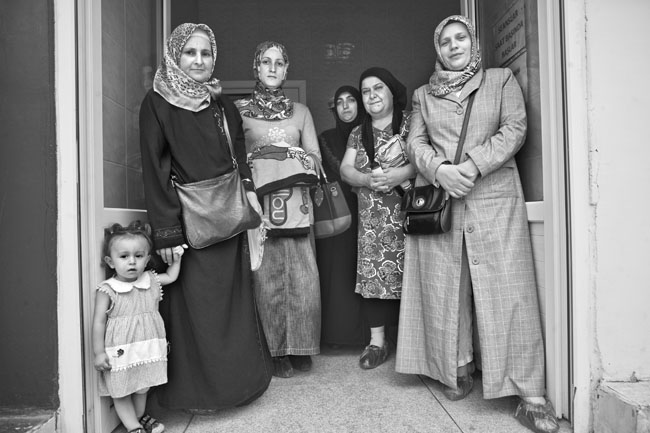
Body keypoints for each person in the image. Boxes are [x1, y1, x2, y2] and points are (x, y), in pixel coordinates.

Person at [395, 15, 559, 433]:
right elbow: (414, 143)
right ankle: (459, 366)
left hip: (493, 197)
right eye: (446, 41)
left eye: (461, 38)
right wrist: (440, 171)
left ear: (473, 43)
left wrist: (471, 166)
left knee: (509, 290)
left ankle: (530, 393)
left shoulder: (501, 80)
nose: (454, 46)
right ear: (438, 49)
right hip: (444, 200)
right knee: (446, 287)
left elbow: (515, 128)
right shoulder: (423, 95)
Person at [139, 23, 272, 411]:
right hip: (187, 225)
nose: (198, 60)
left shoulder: (221, 104)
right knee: (197, 310)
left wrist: (250, 193)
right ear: (175, 56)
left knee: (233, 306)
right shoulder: (157, 102)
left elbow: (239, 156)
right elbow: (154, 168)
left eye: (206, 53)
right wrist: (167, 231)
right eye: (190, 52)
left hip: (228, 220)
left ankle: (240, 388)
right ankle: (196, 395)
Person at [235, 41, 321, 378]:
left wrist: (286, 156)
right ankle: (275, 351)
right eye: (266, 62)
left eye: (279, 62)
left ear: (287, 70)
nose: (273, 68)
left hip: (297, 205)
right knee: (266, 280)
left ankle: (300, 347)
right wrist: (274, 157)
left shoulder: (301, 112)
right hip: (259, 207)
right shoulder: (239, 111)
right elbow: (234, 159)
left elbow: (314, 158)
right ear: (256, 67)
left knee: (303, 279)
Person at [340, 67, 415, 370]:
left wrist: (399, 174)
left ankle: (413, 342)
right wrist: (366, 179)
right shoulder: (358, 132)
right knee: (373, 278)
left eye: (378, 88)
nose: (371, 95)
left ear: (392, 91)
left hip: (410, 217)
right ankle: (377, 343)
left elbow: (428, 159)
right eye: (366, 91)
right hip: (372, 221)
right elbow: (345, 170)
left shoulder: (412, 123)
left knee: (413, 277)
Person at [93, 221, 181, 433]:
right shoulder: (108, 289)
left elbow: (171, 276)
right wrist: (98, 352)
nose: (132, 262)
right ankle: (133, 427)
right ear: (110, 261)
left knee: (143, 386)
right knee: (121, 389)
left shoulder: (150, 280)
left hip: (146, 345)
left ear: (147, 259)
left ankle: (140, 417)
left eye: (139, 256)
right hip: (121, 348)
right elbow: (99, 321)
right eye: (124, 256)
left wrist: (177, 259)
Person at [316, 86, 366, 347]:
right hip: (337, 215)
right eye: (340, 102)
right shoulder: (325, 138)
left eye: (351, 100)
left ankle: (368, 337)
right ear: (334, 108)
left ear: (360, 104)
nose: (345, 106)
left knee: (364, 272)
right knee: (336, 272)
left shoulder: (371, 135)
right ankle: (335, 336)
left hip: (368, 213)